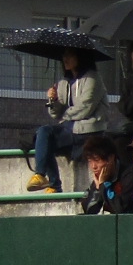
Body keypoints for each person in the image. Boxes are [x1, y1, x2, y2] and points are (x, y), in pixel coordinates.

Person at [28, 48, 106, 193]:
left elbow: (85, 108)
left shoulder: (93, 79)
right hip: (70, 130)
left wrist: (65, 117)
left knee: (48, 137)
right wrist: (53, 99)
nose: (65, 58)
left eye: (70, 55)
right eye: (64, 55)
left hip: (87, 131)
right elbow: (55, 113)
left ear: (81, 56)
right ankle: (44, 178)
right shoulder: (64, 82)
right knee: (44, 132)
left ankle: (52, 184)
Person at [78, 133, 133, 215]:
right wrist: (98, 189)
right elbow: (89, 211)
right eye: (90, 161)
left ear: (111, 158)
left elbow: (120, 209)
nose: (94, 166)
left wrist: (104, 185)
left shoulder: (129, 174)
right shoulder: (99, 180)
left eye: (97, 160)